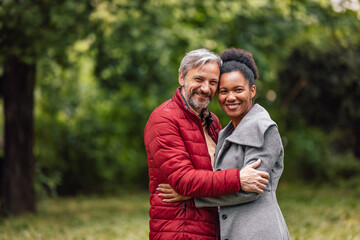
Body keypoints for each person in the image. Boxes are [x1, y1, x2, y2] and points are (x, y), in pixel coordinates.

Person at [158, 48, 291, 240]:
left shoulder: (263, 128)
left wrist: (193, 197)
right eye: (223, 91)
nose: (230, 97)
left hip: (258, 231)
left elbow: (251, 189)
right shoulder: (223, 132)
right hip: (233, 230)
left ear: (252, 91)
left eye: (238, 90)